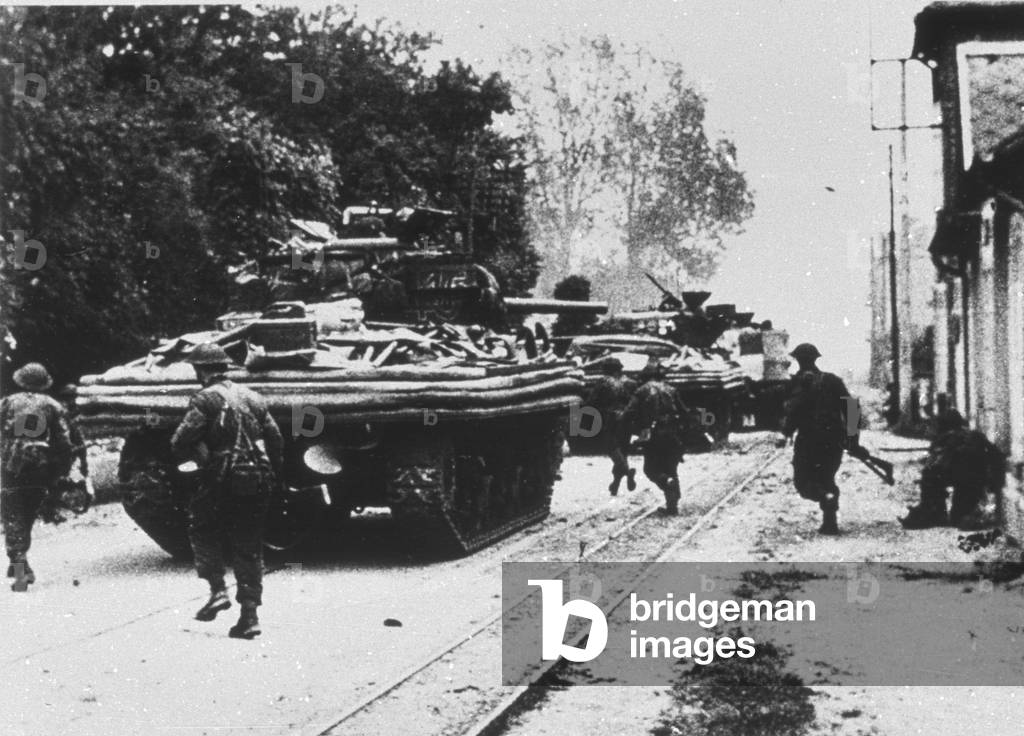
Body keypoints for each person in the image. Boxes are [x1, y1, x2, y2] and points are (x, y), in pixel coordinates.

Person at [170, 343, 284, 639]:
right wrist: (272, 473)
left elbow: (181, 439)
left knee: (203, 529)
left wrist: (200, 456)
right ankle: (249, 616)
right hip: (257, 478)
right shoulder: (254, 397)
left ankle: (218, 590)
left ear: (201, 370)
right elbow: (275, 439)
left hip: (220, 478)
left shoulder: (204, 399)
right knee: (249, 545)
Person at [0, 362, 73, 590]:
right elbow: (64, 442)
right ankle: (20, 563)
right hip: (40, 468)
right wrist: (61, 470)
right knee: (28, 515)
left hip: (11, 466)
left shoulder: (8, 402)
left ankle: (20, 573)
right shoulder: (53, 405)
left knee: (13, 517)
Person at [777, 343, 854, 535]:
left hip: (808, 440)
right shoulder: (832, 380)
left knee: (803, 483)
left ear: (797, 360)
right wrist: (853, 438)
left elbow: (793, 412)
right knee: (827, 477)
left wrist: (785, 432)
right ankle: (830, 522)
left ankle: (825, 498)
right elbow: (851, 407)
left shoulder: (796, 384)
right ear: (815, 359)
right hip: (834, 439)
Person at [900, 409, 1005, 530]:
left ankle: (935, 513)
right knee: (959, 517)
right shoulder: (976, 435)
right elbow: (996, 456)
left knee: (930, 478)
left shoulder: (943, 439)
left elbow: (932, 469)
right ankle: (952, 514)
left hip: (968, 481)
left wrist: (929, 502)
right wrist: (994, 484)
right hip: (974, 482)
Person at [622, 360, 689, 515]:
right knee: (671, 467)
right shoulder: (671, 389)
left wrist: (629, 428)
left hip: (652, 434)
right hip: (673, 432)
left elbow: (629, 412)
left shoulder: (641, 391)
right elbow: (684, 412)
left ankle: (666, 482)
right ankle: (672, 506)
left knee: (651, 468)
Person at [586, 358, 638, 496]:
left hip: (609, 418)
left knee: (611, 447)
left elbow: (592, 401)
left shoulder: (603, 382)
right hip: (626, 418)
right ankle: (615, 484)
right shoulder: (631, 383)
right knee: (623, 451)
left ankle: (627, 472)